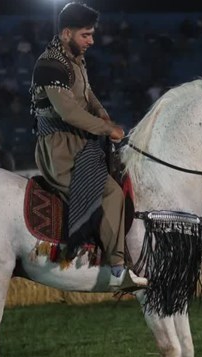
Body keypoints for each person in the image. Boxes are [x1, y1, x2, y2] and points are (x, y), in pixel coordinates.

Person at [30, 2, 146, 290]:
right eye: (86, 35)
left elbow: (88, 94)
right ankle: (117, 268)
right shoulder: (49, 65)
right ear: (67, 33)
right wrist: (107, 128)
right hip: (60, 148)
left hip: (82, 140)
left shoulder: (74, 59)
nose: (91, 41)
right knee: (112, 194)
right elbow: (68, 112)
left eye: (92, 35)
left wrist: (102, 112)